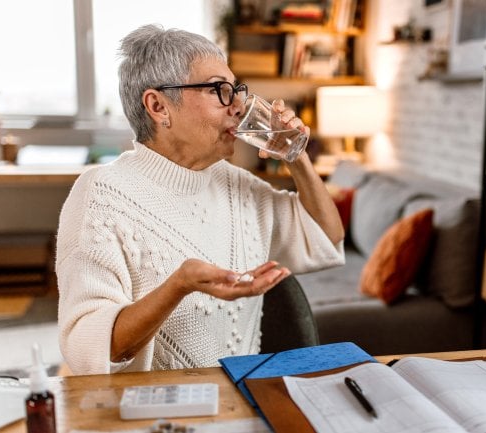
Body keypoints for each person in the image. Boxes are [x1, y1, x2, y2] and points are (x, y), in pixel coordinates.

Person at [56, 24, 345, 375]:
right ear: (158, 106)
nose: (238, 106)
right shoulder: (101, 195)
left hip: (238, 406)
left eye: (236, 89)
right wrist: (178, 286)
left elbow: (326, 238)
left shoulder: (237, 184)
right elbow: (92, 350)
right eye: (219, 90)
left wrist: (296, 154)